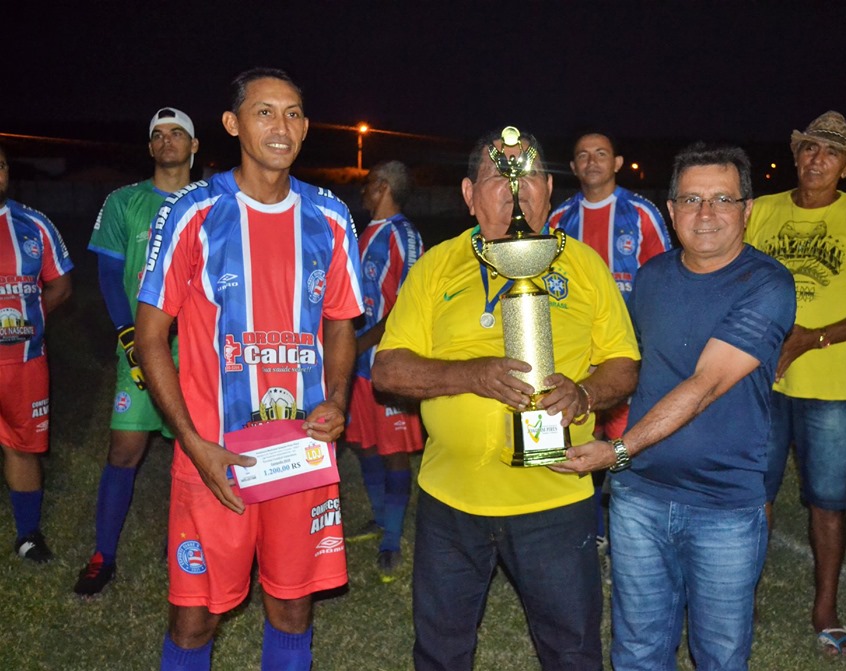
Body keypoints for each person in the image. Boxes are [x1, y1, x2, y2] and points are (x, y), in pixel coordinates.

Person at [372, 128, 640, 670]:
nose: (517, 189)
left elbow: (624, 363)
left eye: (530, 175)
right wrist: (470, 375)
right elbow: (387, 369)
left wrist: (586, 391)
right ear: (470, 194)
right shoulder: (436, 267)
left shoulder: (585, 266)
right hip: (452, 501)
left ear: (547, 189)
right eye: (501, 176)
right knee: (441, 649)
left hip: (555, 499)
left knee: (572, 649)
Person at [136, 68, 362, 670]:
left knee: (292, 607)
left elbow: (342, 320)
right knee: (196, 613)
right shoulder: (192, 212)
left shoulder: (332, 216)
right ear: (234, 124)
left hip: (300, 453)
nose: (280, 126)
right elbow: (151, 336)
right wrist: (191, 442)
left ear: (307, 127)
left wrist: (336, 399)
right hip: (216, 456)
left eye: (292, 113)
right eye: (264, 112)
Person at [556, 143, 796, 670]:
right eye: (690, 199)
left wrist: (617, 449)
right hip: (641, 498)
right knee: (638, 650)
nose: (705, 214)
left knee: (720, 655)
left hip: (726, 505)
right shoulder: (652, 277)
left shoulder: (768, 283)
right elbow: (632, 367)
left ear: (747, 209)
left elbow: (708, 382)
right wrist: (576, 393)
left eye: (722, 200)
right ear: (670, 210)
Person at [745, 111, 846, 658]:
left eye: (829, 152)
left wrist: (812, 338)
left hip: (829, 385)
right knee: (751, 496)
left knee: (828, 504)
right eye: (809, 148)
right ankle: (743, 598)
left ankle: (825, 608)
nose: (816, 159)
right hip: (762, 382)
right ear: (795, 155)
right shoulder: (761, 210)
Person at [75, 107, 199, 596]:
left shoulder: (214, 202)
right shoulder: (124, 202)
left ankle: (192, 554)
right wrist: (128, 334)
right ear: (150, 148)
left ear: (195, 145)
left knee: (193, 453)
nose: (167, 141)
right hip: (139, 353)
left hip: (197, 355)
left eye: (177, 134)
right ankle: (103, 553)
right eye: (158, 135)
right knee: (124, 452)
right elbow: (108, 273)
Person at [546, 132, 672, 566]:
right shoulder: (558, 219)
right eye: (582, 155)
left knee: (623, 445)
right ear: (574, 167)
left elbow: (664, 278)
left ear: (617, 162)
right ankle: (591, 533)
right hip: (576, 356)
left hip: (627, 352)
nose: (592, 161)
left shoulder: (642, 213)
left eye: (600, 153)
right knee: (581, 439)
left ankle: (628, 538)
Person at [342, 160, 424, 582]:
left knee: (394, 453)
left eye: (369, 182)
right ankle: (378, 518)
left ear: (385, 185)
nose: (364, 190)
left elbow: (410, 306)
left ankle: (392, 537)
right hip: (354, 363)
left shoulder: (404, 236)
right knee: (362, 443)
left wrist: (365, 341)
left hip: (386, 361)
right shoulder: (365, 232)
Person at [0, 143, 73, 563]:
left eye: (2, 165)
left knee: (22, 448)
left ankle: (27, 534)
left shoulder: (33, 224)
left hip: (24, 362)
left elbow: (61, 285)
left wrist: (29, 318)